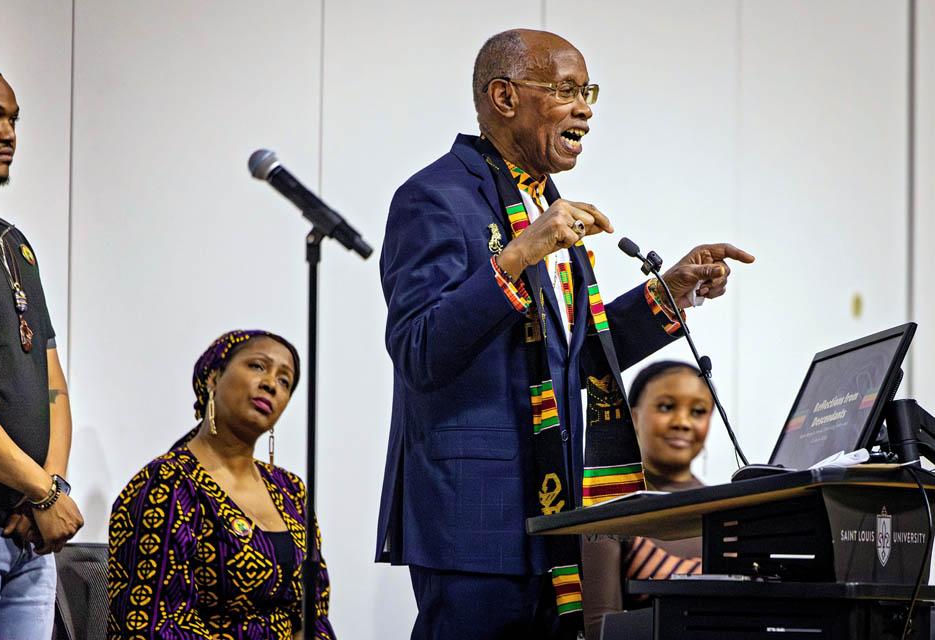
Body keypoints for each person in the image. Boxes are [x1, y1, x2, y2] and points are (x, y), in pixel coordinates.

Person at [376, 28, 754, 639]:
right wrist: (518, 255)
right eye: (566, 90)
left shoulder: (543, 205)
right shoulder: (434, 198)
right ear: (504, 97)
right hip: (475, 519)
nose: (586, 108)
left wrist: (671, 294)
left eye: (589, 92)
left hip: (561, 513)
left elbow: (576, 360)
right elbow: (419, 351)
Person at [107, 330, 335, 640]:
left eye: (285, 381)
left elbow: (314, 612)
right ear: (213, 378)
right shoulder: (168, 484)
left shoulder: (290, 490)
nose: (271, 384)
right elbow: (155, 625)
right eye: (258, 366)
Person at [0, 55, 84, 640]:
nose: (9, 133)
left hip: (29, 529)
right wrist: (41, 489)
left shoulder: (14, 244)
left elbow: (52, 380)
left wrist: (52, 488)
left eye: (14, 118)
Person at [582, 360, 712, 639]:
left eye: (698, 411)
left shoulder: (727, 508)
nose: (682, 422)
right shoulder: (609, 509)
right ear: (634, 416)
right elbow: (600, 629)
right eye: (666, 407)